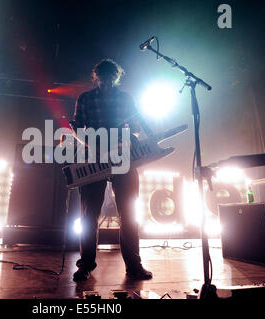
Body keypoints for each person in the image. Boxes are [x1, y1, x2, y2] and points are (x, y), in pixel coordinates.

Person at [70, 58, 153, 281]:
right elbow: (77, 127)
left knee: (129, 213)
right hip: (93, 157)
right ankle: (86, 265)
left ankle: (134, 265)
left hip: (122, 157)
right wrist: (93, 146)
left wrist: (131, 140)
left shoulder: (125, 99)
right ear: (96, 77)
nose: (106, 83)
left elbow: (134, 128)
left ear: (115, 78)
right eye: (102, 79)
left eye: (110, 79)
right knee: (89, 215)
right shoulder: (85, 98)